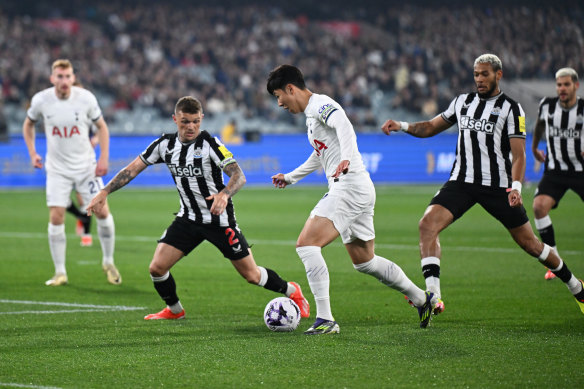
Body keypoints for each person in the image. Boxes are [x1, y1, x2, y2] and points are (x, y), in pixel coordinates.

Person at [381, 54, 584, 316]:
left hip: (498, 187)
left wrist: (516, 188)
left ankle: (575, 286)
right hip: (462, 182)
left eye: (484, 74)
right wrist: (403, 125)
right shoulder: (462, 102)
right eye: (476, 74)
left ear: (498, 75)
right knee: (427, 224)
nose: (479, 79)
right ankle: (434, 297)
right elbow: (431, 127)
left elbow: (519, 155)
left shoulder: (512, 109)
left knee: (531, 244)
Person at [86, 96, 310, 321]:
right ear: (175, 119)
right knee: (157, 268)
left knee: (251, 275)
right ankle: (175, 310)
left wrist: (224, 194)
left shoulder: (210, 145)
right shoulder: (164, 145)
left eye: (195, 121)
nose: (191, 126)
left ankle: (292, 291)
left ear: (201, 119)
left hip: (219, 221)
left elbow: (238, 175)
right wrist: (104, 192)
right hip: (188, 219)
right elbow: (131, 170)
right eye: (185, 121)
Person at [267, 64, 437, 334]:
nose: (279, 103)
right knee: (365, 261)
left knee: (306, 245)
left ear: (290, 88)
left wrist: (346, 156)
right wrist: (291, 177)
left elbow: (343, 124)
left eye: (278, 96)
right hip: (357, 187)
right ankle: (421, 298)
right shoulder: (311, 117)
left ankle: (325, 319)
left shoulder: (320, 104)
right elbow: (320, 153)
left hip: (348, 185)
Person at [22, 59, 120, 286]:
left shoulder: (85, 99)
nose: (64, 81)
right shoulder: (41, 100)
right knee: (56, 215)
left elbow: (102, 127)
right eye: (59, 76)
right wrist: (32, 152)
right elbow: (28, 124)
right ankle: (60, 272)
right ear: (52, 78)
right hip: (57, 169)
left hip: (86, 167)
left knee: (102, 211)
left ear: (73, 77)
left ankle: (108, 261)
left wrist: (103, 158)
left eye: (67, 76)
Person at [531, 67, 584, 280]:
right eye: (559, 85)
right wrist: (534, 147)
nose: (562, 88)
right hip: (555, 170)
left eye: (566, 84)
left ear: (576, 86)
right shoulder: (547, 106)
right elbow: (540, 126)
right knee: (538, 206)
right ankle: (553, 258)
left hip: (581, 170)